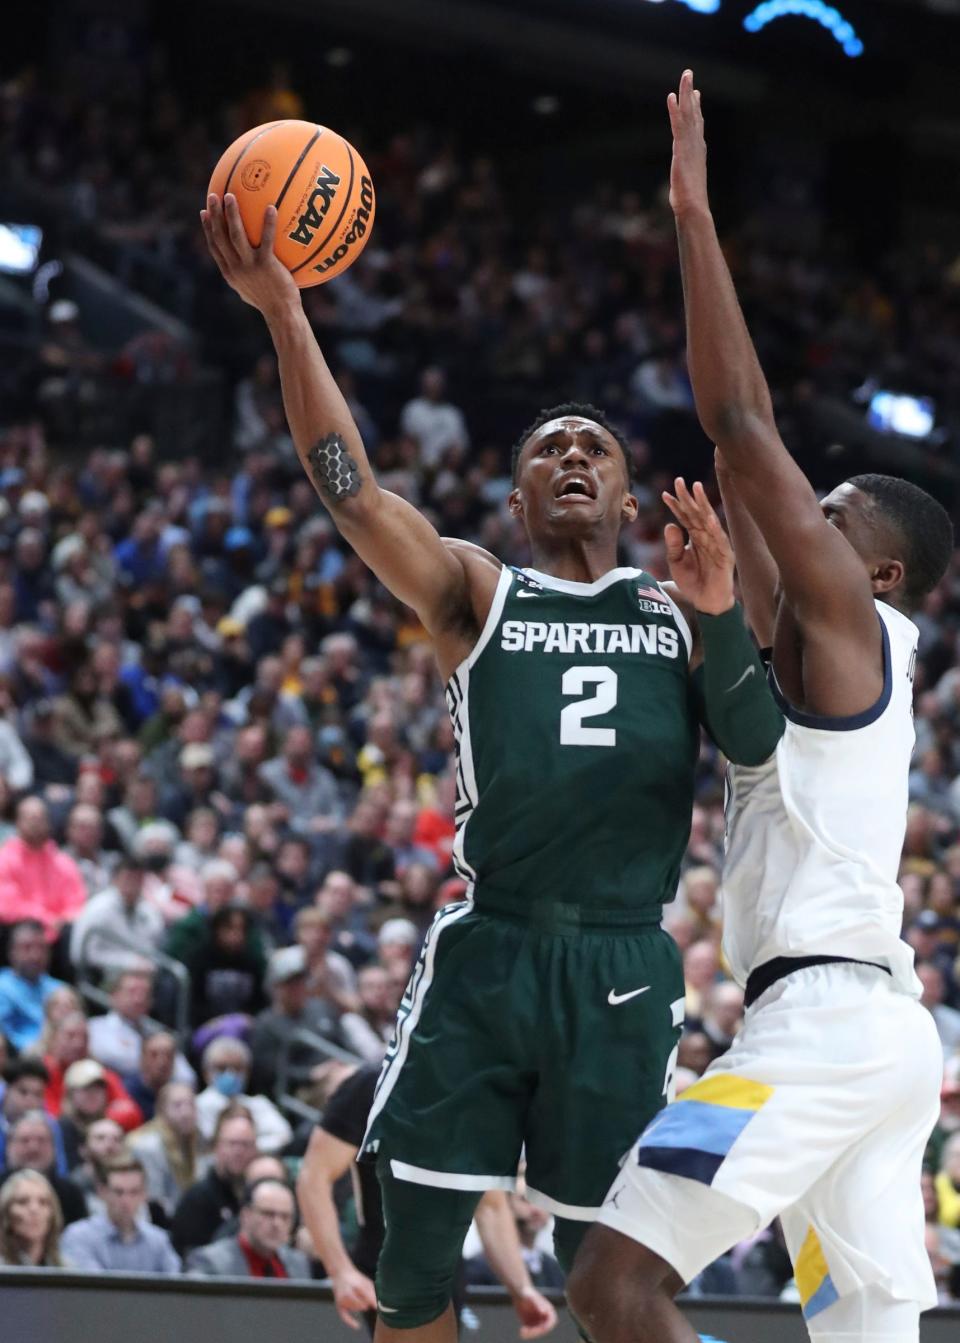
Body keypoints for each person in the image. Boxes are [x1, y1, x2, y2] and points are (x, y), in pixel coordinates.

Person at [201, 186, 782, 1340]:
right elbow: (351, 489)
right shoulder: (477, 587)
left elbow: (756, 743)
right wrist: (287, 315)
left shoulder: (682, 605)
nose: (573, 456)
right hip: (489, 944)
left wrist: (722, 620)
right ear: (517, 498)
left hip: (622, 963)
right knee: (410, 1254)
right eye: (548, 450)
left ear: (626, 493)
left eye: (595, 448)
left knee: (608, 1271)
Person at [567, 70, 955, 1343]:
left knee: (615, 1283)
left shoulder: (853, 628)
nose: (804, 524)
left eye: (829, 516)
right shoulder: (798, 649)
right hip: (861, 1035)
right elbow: (738, 486)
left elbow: (738, 428)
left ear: (880, 573)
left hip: (824, 1034)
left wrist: (692, 211)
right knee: (863, 1335)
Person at [298, 1065, 558, 1335]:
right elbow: (313, 1177)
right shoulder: (371, 1084)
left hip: (448, 1271)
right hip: (386, 1263)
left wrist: (522, 1288)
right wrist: (340, 1270)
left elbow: (489, 1206)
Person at [250, 945, 347, 1096]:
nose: (297, 989)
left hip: (340, 1072)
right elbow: (269, 1072)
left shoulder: (322, 1008)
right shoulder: (265, 1024)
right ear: (275, 987)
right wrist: (309, 1074)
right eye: (290, 984)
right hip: (302, 1089)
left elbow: (344, 1044)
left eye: (300, 982)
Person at [61, 1155, 180, 1272]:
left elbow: (175, 1285)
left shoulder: (158, 1240)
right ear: (102, 1192)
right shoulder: (79, 1236)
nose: (126, 1201)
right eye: (118, 1192)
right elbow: (92, 1288)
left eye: (134, 1192)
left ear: (144, 1194)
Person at [169, 1106, 257, 1258]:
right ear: (217, 1146)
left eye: (246, 1144)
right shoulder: (197, 1199)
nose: (239, 1151)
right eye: (232, 1143)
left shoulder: (256, 1196)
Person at [185, 1177, 311, 1278]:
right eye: (268, 1214)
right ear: (245, 1216)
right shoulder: (211, 1263)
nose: (277, 1224)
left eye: (285, 1217)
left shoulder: (299, 1264)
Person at [0, 797, 86, 941]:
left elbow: (76, 902)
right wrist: (46, 919)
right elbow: (7, 906)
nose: (36, 823)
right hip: (19, 930)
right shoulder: (4, 859)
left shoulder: (63, 861)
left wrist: (63, 920)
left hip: (60, 931)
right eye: (31, 818)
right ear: (18, 822)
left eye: (41, 818)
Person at [68, 858, 164, 977]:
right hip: (102, 975)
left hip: (143, 974)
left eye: (137, 880)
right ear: (115, 880)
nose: (132, 886)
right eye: (128, 879)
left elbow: (152, 948)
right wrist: (128, 962)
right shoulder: (98, 910)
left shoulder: (149, 912)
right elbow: (80, 955)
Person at [194, 1037, 292, 1153]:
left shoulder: (259, 1104)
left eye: (237, 1068)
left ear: (247, 1072)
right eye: (221, 1068)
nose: (230, 1074)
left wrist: (246, 1149)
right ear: (206, 1072)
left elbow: (284, 1136)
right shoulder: (195, 1106)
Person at [1, 1110, 87, 1224]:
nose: (33, 1147)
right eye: (24, 1140)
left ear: (54, 1148)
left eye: (41, 1140)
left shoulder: (71, 1194)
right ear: (9, 1147)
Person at [129, 1082, 200, 1217]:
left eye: (191, 1105)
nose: (186, 1113)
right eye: (177, 1105)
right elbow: (155, 1201)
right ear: (162, 1110)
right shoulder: (149, 1147)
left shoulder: (191, 1141)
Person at [0, 919, 67, 1052]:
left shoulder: (60, 989)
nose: (35, 955)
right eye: (27, 947)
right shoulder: (2, 987)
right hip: (19, 1060)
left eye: (41, 948)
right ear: (11, 952)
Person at [0, 1168, 66, 1266]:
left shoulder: (69, 1269)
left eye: (43, 1202)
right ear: (5, 1212)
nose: (34, 1209)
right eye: (22, 1201)